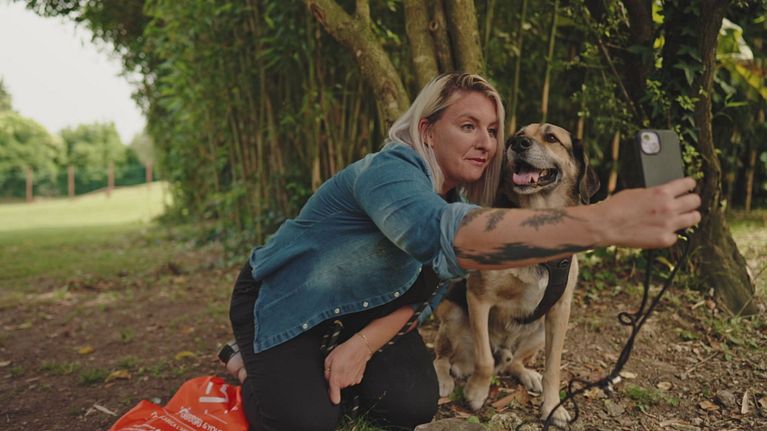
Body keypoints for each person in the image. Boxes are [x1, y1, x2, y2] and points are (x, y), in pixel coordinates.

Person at [225, 73, 701, 431]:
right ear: (428, 130)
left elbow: (424, 291)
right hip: (289, 301)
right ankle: (250, 358)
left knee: (410, 404)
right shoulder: (388, 173)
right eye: (468, 126)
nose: (487, 142)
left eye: (492, 131)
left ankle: (310, 363)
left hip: (366, 311)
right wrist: (603, 221)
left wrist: (364, 344)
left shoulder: (458, 197)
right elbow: (445, 236)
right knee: (307, 421)